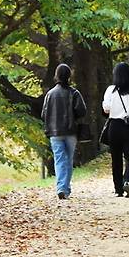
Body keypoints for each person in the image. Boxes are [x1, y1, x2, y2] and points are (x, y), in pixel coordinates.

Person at [41, 63, 87, 200]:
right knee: (68, 160)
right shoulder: (74, 93)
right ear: (69, 76)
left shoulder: (50, 94)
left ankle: (62, 188)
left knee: (59, 159)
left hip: (55, 132)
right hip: (71, 131)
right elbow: (82, 111)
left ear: (56, 76)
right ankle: (64, 188)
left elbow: (44, 114)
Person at [102, 62, 129, 198]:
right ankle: (128, 183)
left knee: (116, 158)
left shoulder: (111, 90)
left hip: (114, 126)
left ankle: (118, 189)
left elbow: (106, 109)